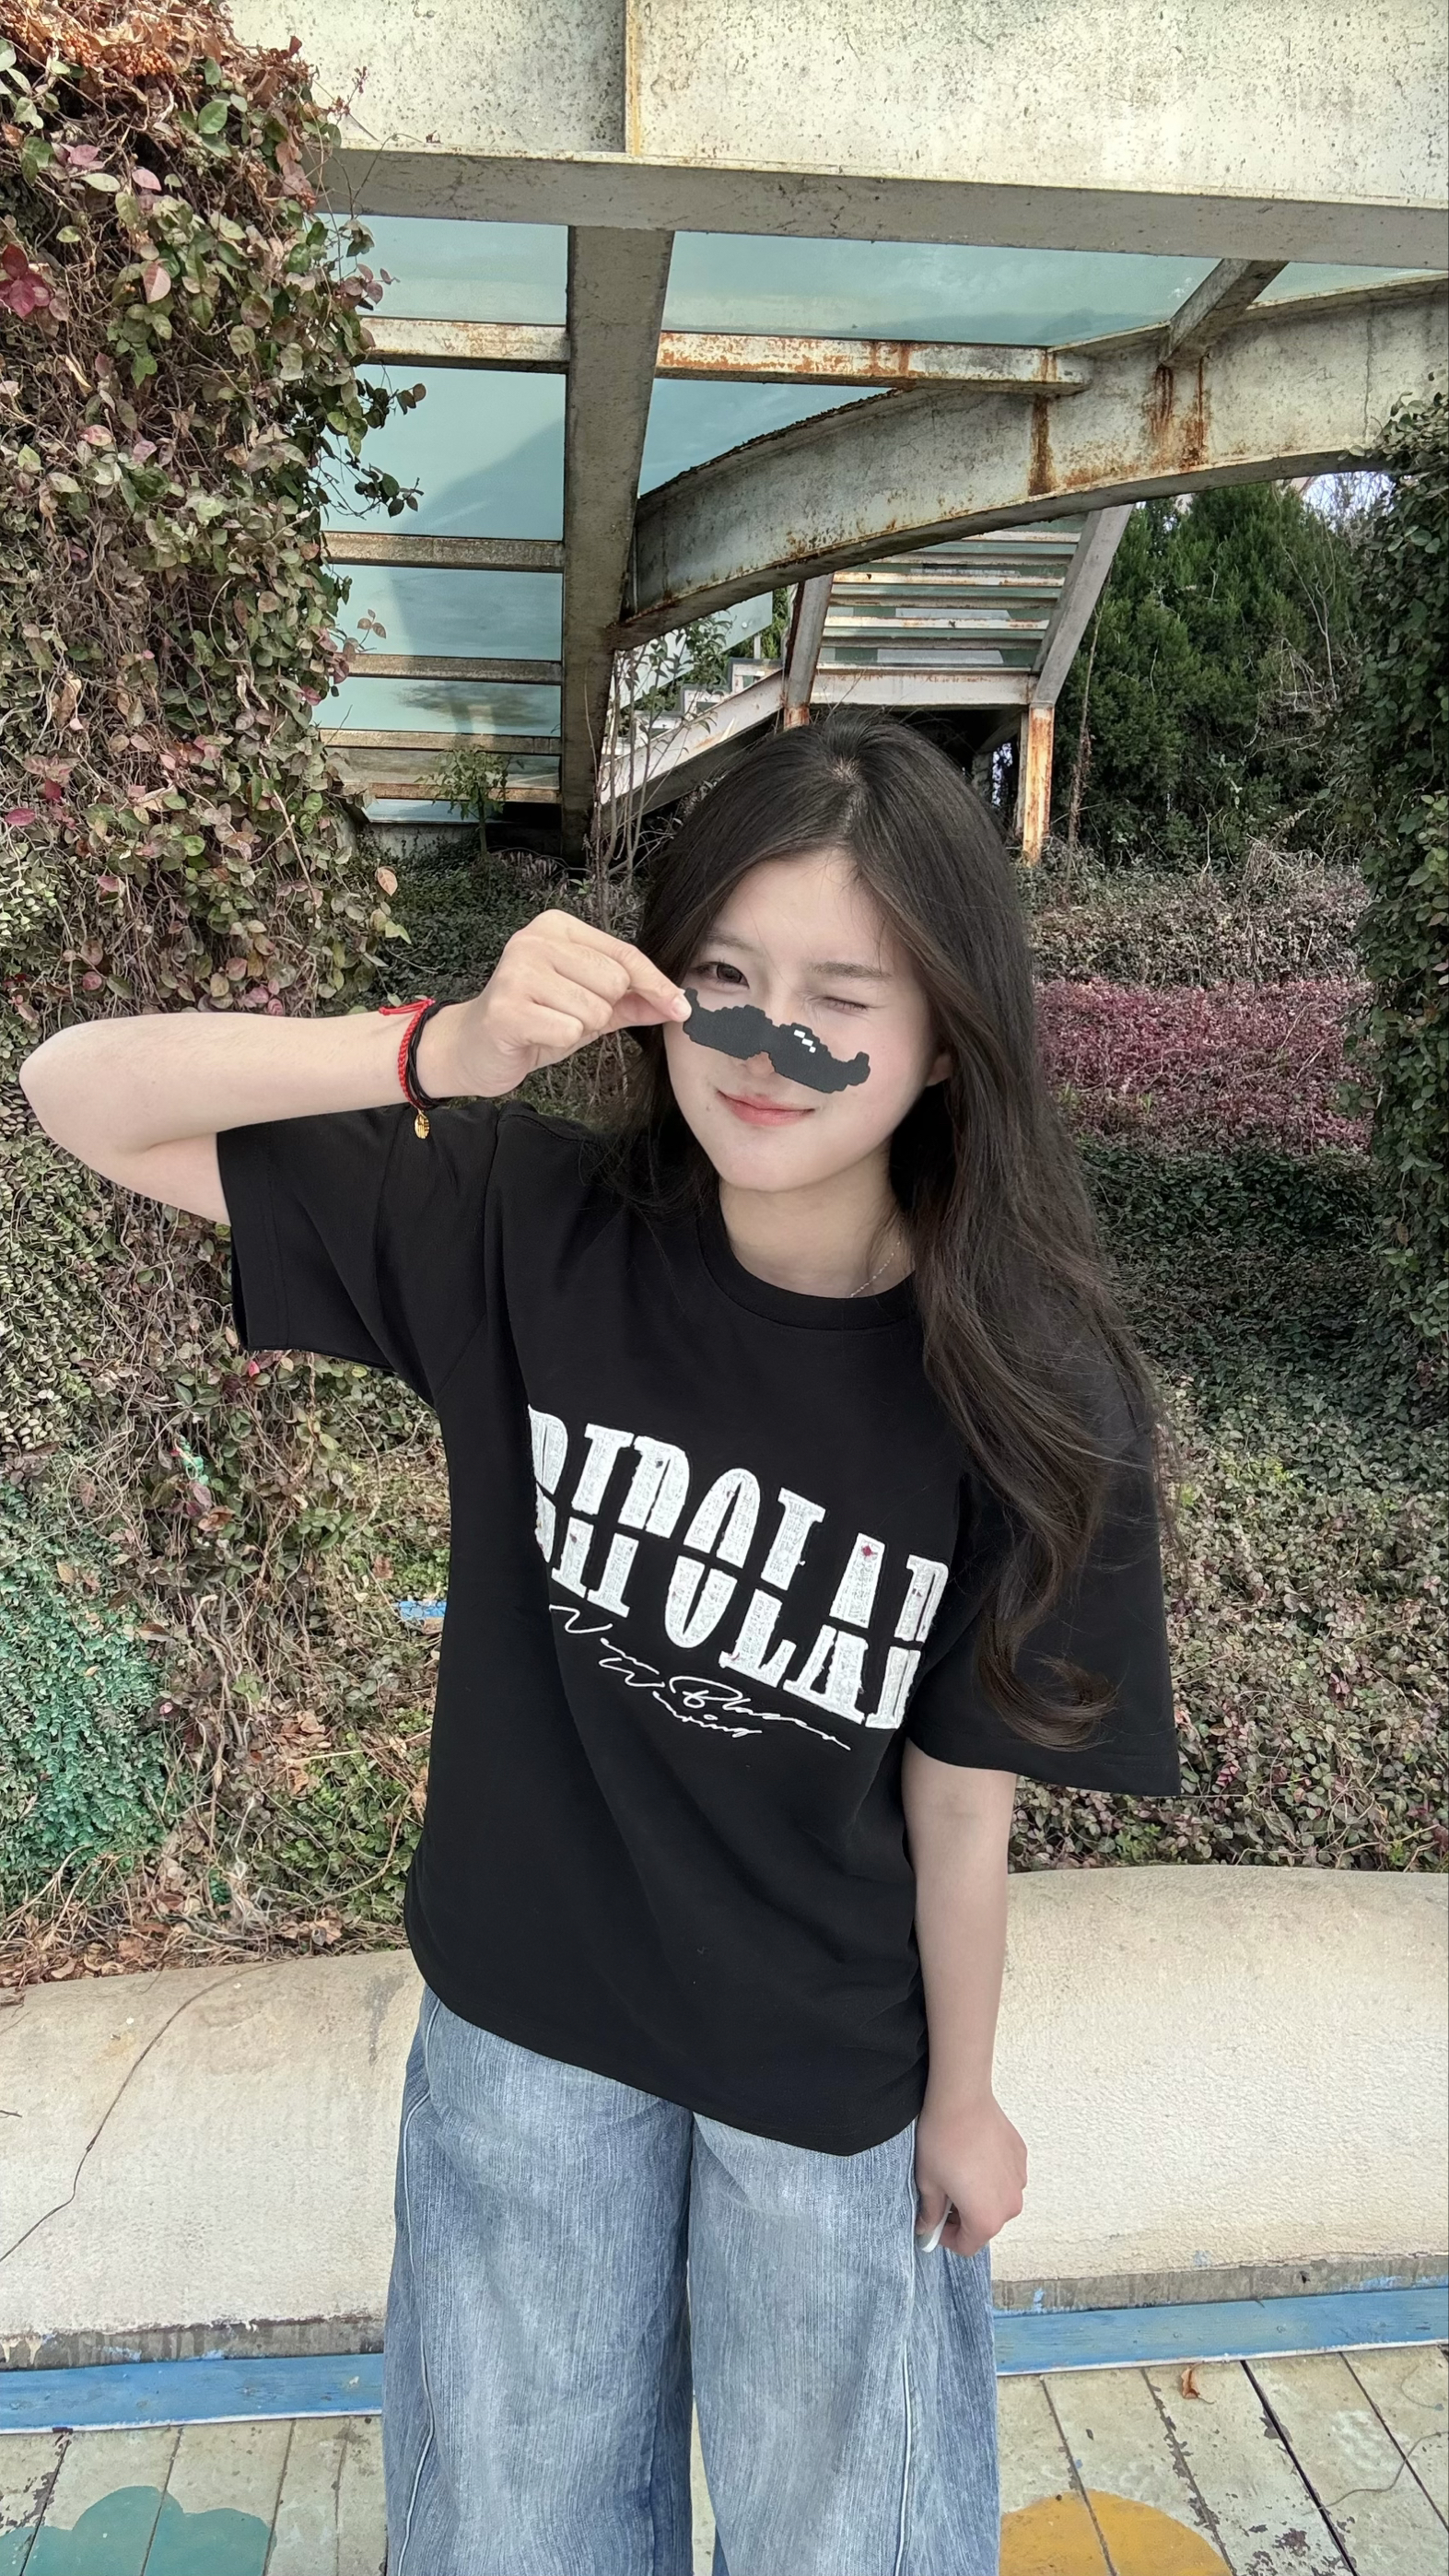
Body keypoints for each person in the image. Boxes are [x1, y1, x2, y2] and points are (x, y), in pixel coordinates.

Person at [21, 711, 1178, 2576]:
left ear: (948, 1035)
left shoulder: (1032, 1397)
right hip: (528, 2039)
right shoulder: (518, 1226)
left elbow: (961, 1798)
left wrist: (962, 2101)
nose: (771, 1045)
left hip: (824, 2076)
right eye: (724, 979)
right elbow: (79, 1090)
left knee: (849, 2545)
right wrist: (440, 1049)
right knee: (510, 2535)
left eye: (842, 999)